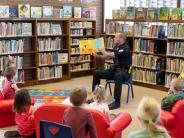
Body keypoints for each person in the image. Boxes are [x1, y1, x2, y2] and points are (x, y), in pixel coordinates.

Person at [92, 33, 132, 110]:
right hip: (115, 69)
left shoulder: (125, 48)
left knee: (118, 76)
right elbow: (107, 56)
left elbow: (108, 54)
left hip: (124, 72)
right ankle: (95, 96)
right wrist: (98, 56)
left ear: (120, 39)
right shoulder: (116, 47)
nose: (114, 38)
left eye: (115, 37)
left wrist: (101, 49)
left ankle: (117, 102)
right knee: (96, 73)